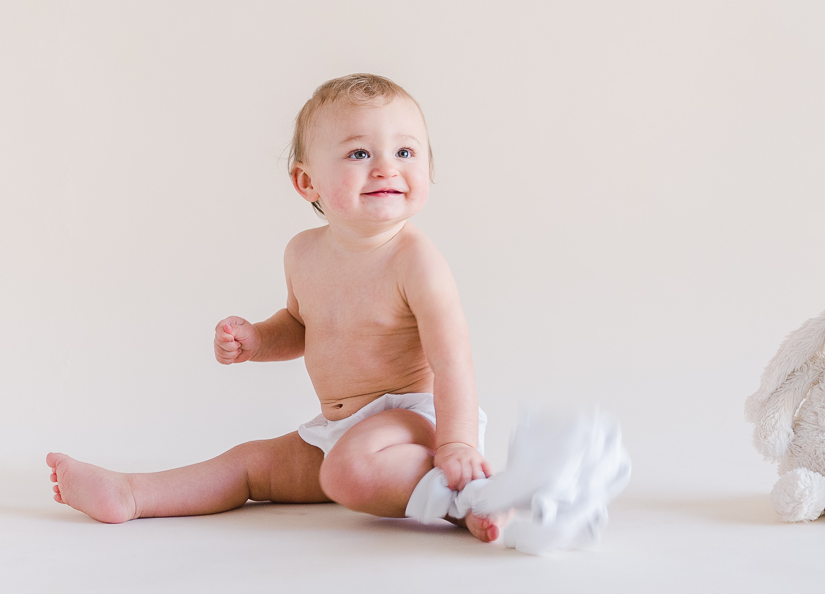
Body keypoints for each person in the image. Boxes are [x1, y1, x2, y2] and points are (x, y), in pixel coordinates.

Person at [45, 73, 508, 542]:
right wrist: (258, 340)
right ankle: (132, 494)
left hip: (414, 420)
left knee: (351, 466)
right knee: (249, 465)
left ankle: (471, 493)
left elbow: (453, 362)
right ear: (308, 181)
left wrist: (455, 443)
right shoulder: (303, 253)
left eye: (405, 152)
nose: (387, 167)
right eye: (360, 153)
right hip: (336, 429)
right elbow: (301, 326)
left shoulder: (416, 262)